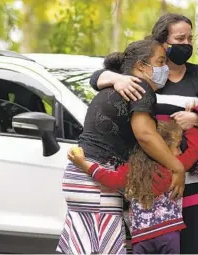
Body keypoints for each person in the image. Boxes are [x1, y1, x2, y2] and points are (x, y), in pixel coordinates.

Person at [89, 13, 198, 254]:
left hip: (195, 186)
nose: (186, 43)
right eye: (180, 38)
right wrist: (116, 79)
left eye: (190, 38)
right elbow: (97, 78)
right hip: (152, 187)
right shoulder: (149, 75)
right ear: (162, 42)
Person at [57, 39, 186, 255]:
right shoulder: (140, 87)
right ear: (141, 66)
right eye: (160, 61)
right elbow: (145, 134)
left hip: (82, 176)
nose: (166, 68)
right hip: (96, 179)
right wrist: (177, 167)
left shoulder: (117, 86)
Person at [67, 120, 198, 254]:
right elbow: (196, 149)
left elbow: (110, 179)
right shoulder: (175, 167)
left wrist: (84, 165)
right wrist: (190, 126)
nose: (180, 152)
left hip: (141, 236)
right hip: (169, 234)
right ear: (163, 148)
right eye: (177, 146)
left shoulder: (132, 170)